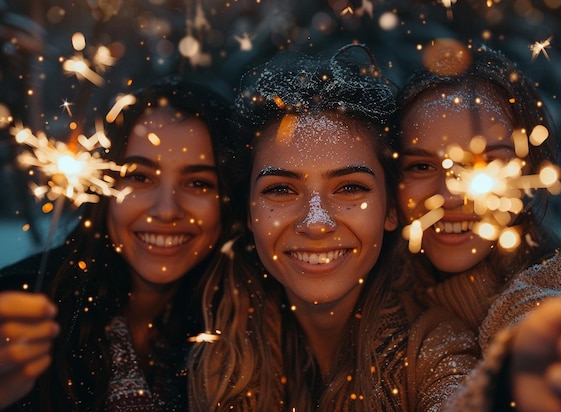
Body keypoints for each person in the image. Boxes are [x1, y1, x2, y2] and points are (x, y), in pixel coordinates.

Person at [188, 44, 480, 412]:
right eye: (280, 189)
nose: (316, 222)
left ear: (391, 208)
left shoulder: (436, 351)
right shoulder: (218, 352)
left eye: (349, 188)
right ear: (249, 212)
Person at [394, 41, 561, 411]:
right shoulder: (383, 292)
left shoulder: (554, 297)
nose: (452, 195)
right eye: (421, 166)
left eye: (486, 164)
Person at [0, 75, 245, 411]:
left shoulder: (239, 329)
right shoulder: (23, 311)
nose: (166, 209)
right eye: (139, 177)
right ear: (103, 188)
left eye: (199, 183)